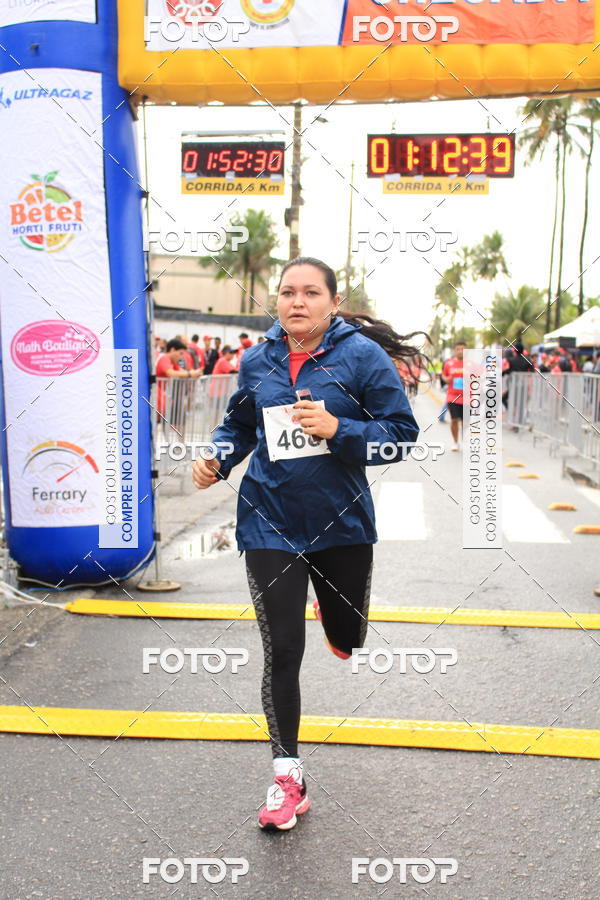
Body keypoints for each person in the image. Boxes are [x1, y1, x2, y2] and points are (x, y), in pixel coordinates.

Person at [192, 256, 421, 832]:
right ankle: (287, 779)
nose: (297, 301)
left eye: (311, 292)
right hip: (270, 520)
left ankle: (335, 617)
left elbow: (401, 437)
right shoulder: (257, 360)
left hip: (340, 523)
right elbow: (239, 427)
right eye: (288, 292)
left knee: (348, 635)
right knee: (282, 650)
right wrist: (218, 460)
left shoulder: (362, 357)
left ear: (332, 303)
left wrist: (338, 429)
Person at [441, 341, 466, 451]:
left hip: (467, 398)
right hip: (452, 396)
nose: (460, 351)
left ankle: (464, 440)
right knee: (454, 420)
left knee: (465, 422)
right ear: (455, 350)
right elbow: (443, 375)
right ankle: (455, 442)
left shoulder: (471, 363)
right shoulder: (449, 363)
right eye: (458, 349)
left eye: (462, 349)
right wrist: (446, 379)